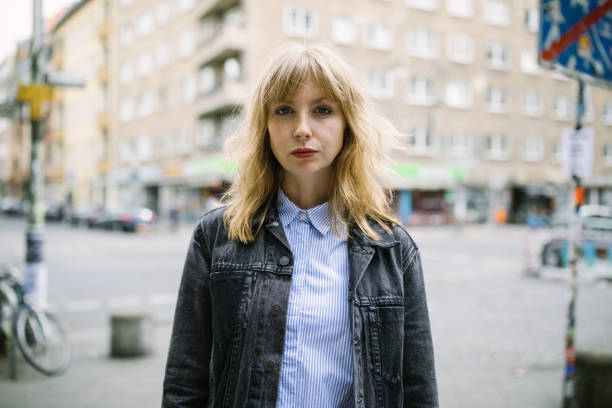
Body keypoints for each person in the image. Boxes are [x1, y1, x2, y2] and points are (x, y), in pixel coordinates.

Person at [162, 43, 438, 407]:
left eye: (323, 110)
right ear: (265, 126)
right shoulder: (217, 236)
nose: (302, 129)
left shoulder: (392, 248)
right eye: (284, 110)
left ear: (347, 125)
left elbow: (418, 388)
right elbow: (186, 380)